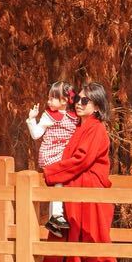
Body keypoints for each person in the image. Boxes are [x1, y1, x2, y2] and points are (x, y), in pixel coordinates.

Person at [41, 82, 118, 262]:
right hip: (70, 191)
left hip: (88, 194)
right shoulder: (76, 126)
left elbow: (81, 161)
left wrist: (52, 173)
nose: (80, 103)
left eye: (86, 101)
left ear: (96, 106)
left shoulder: (97, 129)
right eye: (79, 99)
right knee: (61, 239)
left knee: (86, 241)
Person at [27, 80, 78, 240]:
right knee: (59, 180)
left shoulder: (73, 116)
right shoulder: (48, 116)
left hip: (65, 155)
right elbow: (36, 134)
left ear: (64, 100)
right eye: (48, 98)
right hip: (52, 154)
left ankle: (55, 219)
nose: (48, 102)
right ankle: (56, 215)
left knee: (62, 182)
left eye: (52, 98)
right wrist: (31, 119)